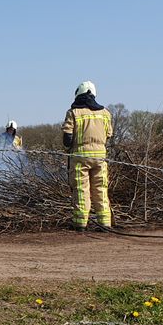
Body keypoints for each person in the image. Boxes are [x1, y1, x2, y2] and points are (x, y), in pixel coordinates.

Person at [62, 80, 113, 231]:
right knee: (101, 189)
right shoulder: (105, 113)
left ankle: (80, 223)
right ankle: (105, 223)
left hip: (80, 159)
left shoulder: (73, 113)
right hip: (100, 159)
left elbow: (67, 139)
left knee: (81, 190)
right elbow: (108, 135)